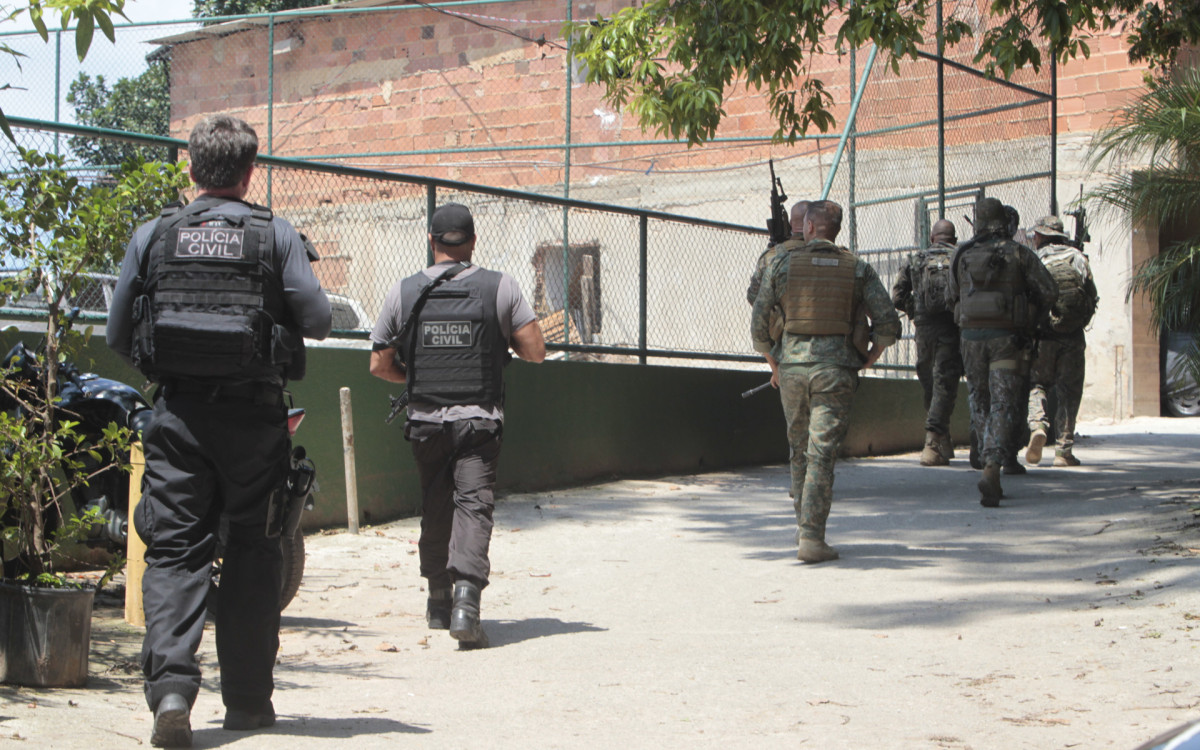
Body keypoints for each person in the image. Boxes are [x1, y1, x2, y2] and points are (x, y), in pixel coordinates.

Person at [107, 115, 332, 748]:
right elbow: (315, 318)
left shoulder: (153, 235)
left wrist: (171, 370)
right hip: (255, 419)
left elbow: (118, 335)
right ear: (250, 171)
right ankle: (249, 706)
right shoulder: (274, 235)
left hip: (177, 417)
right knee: (256, 551)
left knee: (175, 551)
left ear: (189, 166)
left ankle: (172, 692)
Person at [369, 202, 546, 648]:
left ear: (431, 241)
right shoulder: (499, 287)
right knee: (473, 506)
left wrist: (420, 377)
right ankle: (467, 605)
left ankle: (438, 601)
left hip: (425, 422)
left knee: (435, 505)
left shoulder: (404, 291)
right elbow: (536, 351)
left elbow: (378, 364)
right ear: (471, 242)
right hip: (478, 423)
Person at [750, 200, 900, 562]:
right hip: (836, 371)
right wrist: (867, 359)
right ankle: (812, 538)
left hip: (792, 370)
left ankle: (805, 529)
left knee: (798, 448)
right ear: (835, 230)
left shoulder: (781, 263)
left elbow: (758, 329)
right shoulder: (857, 269)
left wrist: (776, 363)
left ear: (810, 228)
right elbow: (889, 326)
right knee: (821, 453)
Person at [948, 197, 1056, 507]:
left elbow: (950, 296)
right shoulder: (1019, 253)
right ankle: (994, 463)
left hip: (970, 339)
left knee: (979, 399)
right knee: (1003, 401)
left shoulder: (962, 254)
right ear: (1003, 221)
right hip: (1007, 338)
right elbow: (1049, 290)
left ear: (977, 221)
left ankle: (986, 458)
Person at [1024, 215, 1098, 467]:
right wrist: (1078, 322)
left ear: (1043, 236)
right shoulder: (1078, 257)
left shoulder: (1035, 260)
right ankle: (1063, 451)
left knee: (1037, 384)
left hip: (1043, 334)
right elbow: (1092, 295)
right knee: (1069, 391)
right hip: (1072, 336)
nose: (1033, 238)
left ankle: (1037, 426)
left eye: (1036, 235)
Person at [891, 218, 963, 466]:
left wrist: (915, 311)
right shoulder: (960, 256)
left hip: (924, 329)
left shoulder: (916, 259)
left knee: (930, 382)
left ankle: (942, 439)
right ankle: (933, 444)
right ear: (953, 239)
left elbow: (897, 295)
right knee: (945, 381)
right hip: (951, 327)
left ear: (932, 238)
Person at [746, 199, 810, 307]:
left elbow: (753, 297)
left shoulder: (770, 256)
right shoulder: (827, 253)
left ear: (790, 223)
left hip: (781, 322)